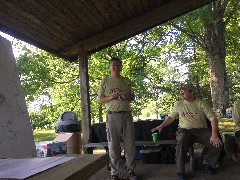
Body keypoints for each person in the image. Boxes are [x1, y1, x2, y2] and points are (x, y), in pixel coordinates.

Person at [151, 83, 222, 180]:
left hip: (201, 130)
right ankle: (180, 171)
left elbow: (213, 118)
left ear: (192, 92)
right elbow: (171, 117)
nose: (181, 93)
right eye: (180, 92)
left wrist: (214, 135)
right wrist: (161, 126)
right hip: (185, 131)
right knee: (181, 141)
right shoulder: (178, 104)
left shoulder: (201, 103)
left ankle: (209, 165)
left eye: (183, 91)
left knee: (216, 143)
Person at [97, 57, 136, 180]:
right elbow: (99, 100)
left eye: (118, 65)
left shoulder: (126, 80)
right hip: (112, 115)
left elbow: (132, 97)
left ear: (121, 67)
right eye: (113, 65)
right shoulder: (105, 81)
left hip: (126, 115)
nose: (115, 67)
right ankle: (115, 173)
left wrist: (126, 96)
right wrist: (110, 97)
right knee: (113, 145)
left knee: (130, 145)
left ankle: (130, 171)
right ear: (109, 67)